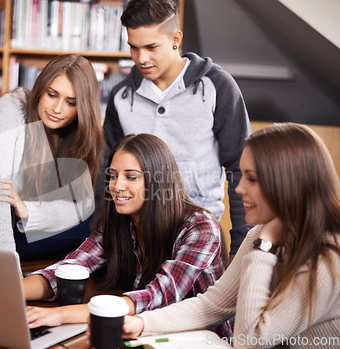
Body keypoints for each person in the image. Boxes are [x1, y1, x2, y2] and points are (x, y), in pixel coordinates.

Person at [122, 123, 340, 348]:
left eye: (252, 179)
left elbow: (250, 341)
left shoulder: (329, 258)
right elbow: (212, 305)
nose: (239, 188)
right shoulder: (261, 235)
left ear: (288, 183)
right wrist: (141, 323)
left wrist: (265, 246)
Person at [23, 133, 233, 338]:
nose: (117, 186)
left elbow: (158, 296)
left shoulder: (201, 228)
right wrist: (6, 293)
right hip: (146, 334)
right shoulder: (119, 221)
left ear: (157, 182)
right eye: (113, 176)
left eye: (131, 177)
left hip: (205, 340)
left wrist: (59, 315)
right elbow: (69, 268)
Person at [100, 0, 252, 258]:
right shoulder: (120, 96)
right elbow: (108, 171)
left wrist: (241, 246)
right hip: (137, 240)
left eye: (151, 47)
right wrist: (104, 233)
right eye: (133, 48)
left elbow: (242, 167)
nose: (141, 58)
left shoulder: (218, 86)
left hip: (200, 236)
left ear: (175, 39)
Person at [0, 54, 103, 259]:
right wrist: (6, 269)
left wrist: (28, 212)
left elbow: (84, 204)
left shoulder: (73, 131)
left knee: (98, 224)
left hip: (26, 226)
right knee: (94, 235)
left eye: (71, 102)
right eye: (52, 95)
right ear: (41, 88)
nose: (57, 109)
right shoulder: (10, 109)